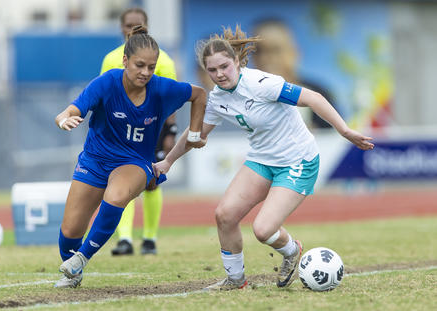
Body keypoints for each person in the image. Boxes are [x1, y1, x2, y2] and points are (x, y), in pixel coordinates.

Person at [154, 26, 374, 290]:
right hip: (261, 160)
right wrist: (169, 161)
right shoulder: (216, 99)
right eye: (212, 70)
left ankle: (292, 251)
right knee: (224, 215)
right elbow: (195, 133)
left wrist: (344, 130)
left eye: (224, 66)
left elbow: (313, 98)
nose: (219, 75)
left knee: (264, 230)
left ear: (237, 61)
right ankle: (236, 280)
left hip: (297, 161)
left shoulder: (263, 84)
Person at [53, 25, 206, 288]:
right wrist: (63, 119)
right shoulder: (106, 82)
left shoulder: (162, 89)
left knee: (116, 195)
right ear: (125, 61)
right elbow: (68, 111)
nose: (146, 72)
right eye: (139, 65)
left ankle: (82, 258)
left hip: (135, 162)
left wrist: (194, 132)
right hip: (95, 160)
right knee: (69, 233)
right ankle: (73, 268)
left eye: (151, 66)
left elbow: (199, 94)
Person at [101, 7, 178, 256]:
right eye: (127, 25)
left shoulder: (164, 61)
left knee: (152, 183)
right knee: (122, 181)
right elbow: (104, 96)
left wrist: (170, 132)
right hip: (120, 131)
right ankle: (124, 239)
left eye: (138, 25)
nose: (131, 29)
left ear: (145, 26)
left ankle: (150, 239)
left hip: (151, 130)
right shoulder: (111, 59)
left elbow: (172, 100)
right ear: (121, 28)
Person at [252, 18, 334, 129]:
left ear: (294, 52)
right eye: (258, 51)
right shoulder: (239, 96)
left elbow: (334, 138)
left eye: (275, 50)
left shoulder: (316, 94)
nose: (265, 58)